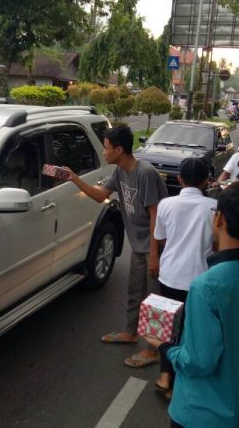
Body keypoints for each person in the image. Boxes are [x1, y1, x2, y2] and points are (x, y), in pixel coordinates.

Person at [145, 181, 239, 428]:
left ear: (219, 219)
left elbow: (197, 361)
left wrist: (164, 346)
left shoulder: (206, 286)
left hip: (199, 412)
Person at [61, 125, 168, 368]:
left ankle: (153, 350)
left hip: (156, 246)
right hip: (140, 245)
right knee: (134, 292)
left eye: (107, 148)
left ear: (119, 149)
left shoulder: (145, 173)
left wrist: (154, 253)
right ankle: (131, 333)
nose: (104, 152)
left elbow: (156, 215)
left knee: (155, 300)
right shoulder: (120, 172)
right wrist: (73, 178)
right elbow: (101, 195)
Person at [152, 158, 217, 396]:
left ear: (179, 179)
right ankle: (179, 382)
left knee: (168, 327)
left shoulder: (166, 204)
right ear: (206, 181)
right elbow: (218, 243)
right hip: (200, 279)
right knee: (191, 330)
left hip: (169, 275)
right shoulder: (214, 207)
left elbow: (160, 237)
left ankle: (164, 376)